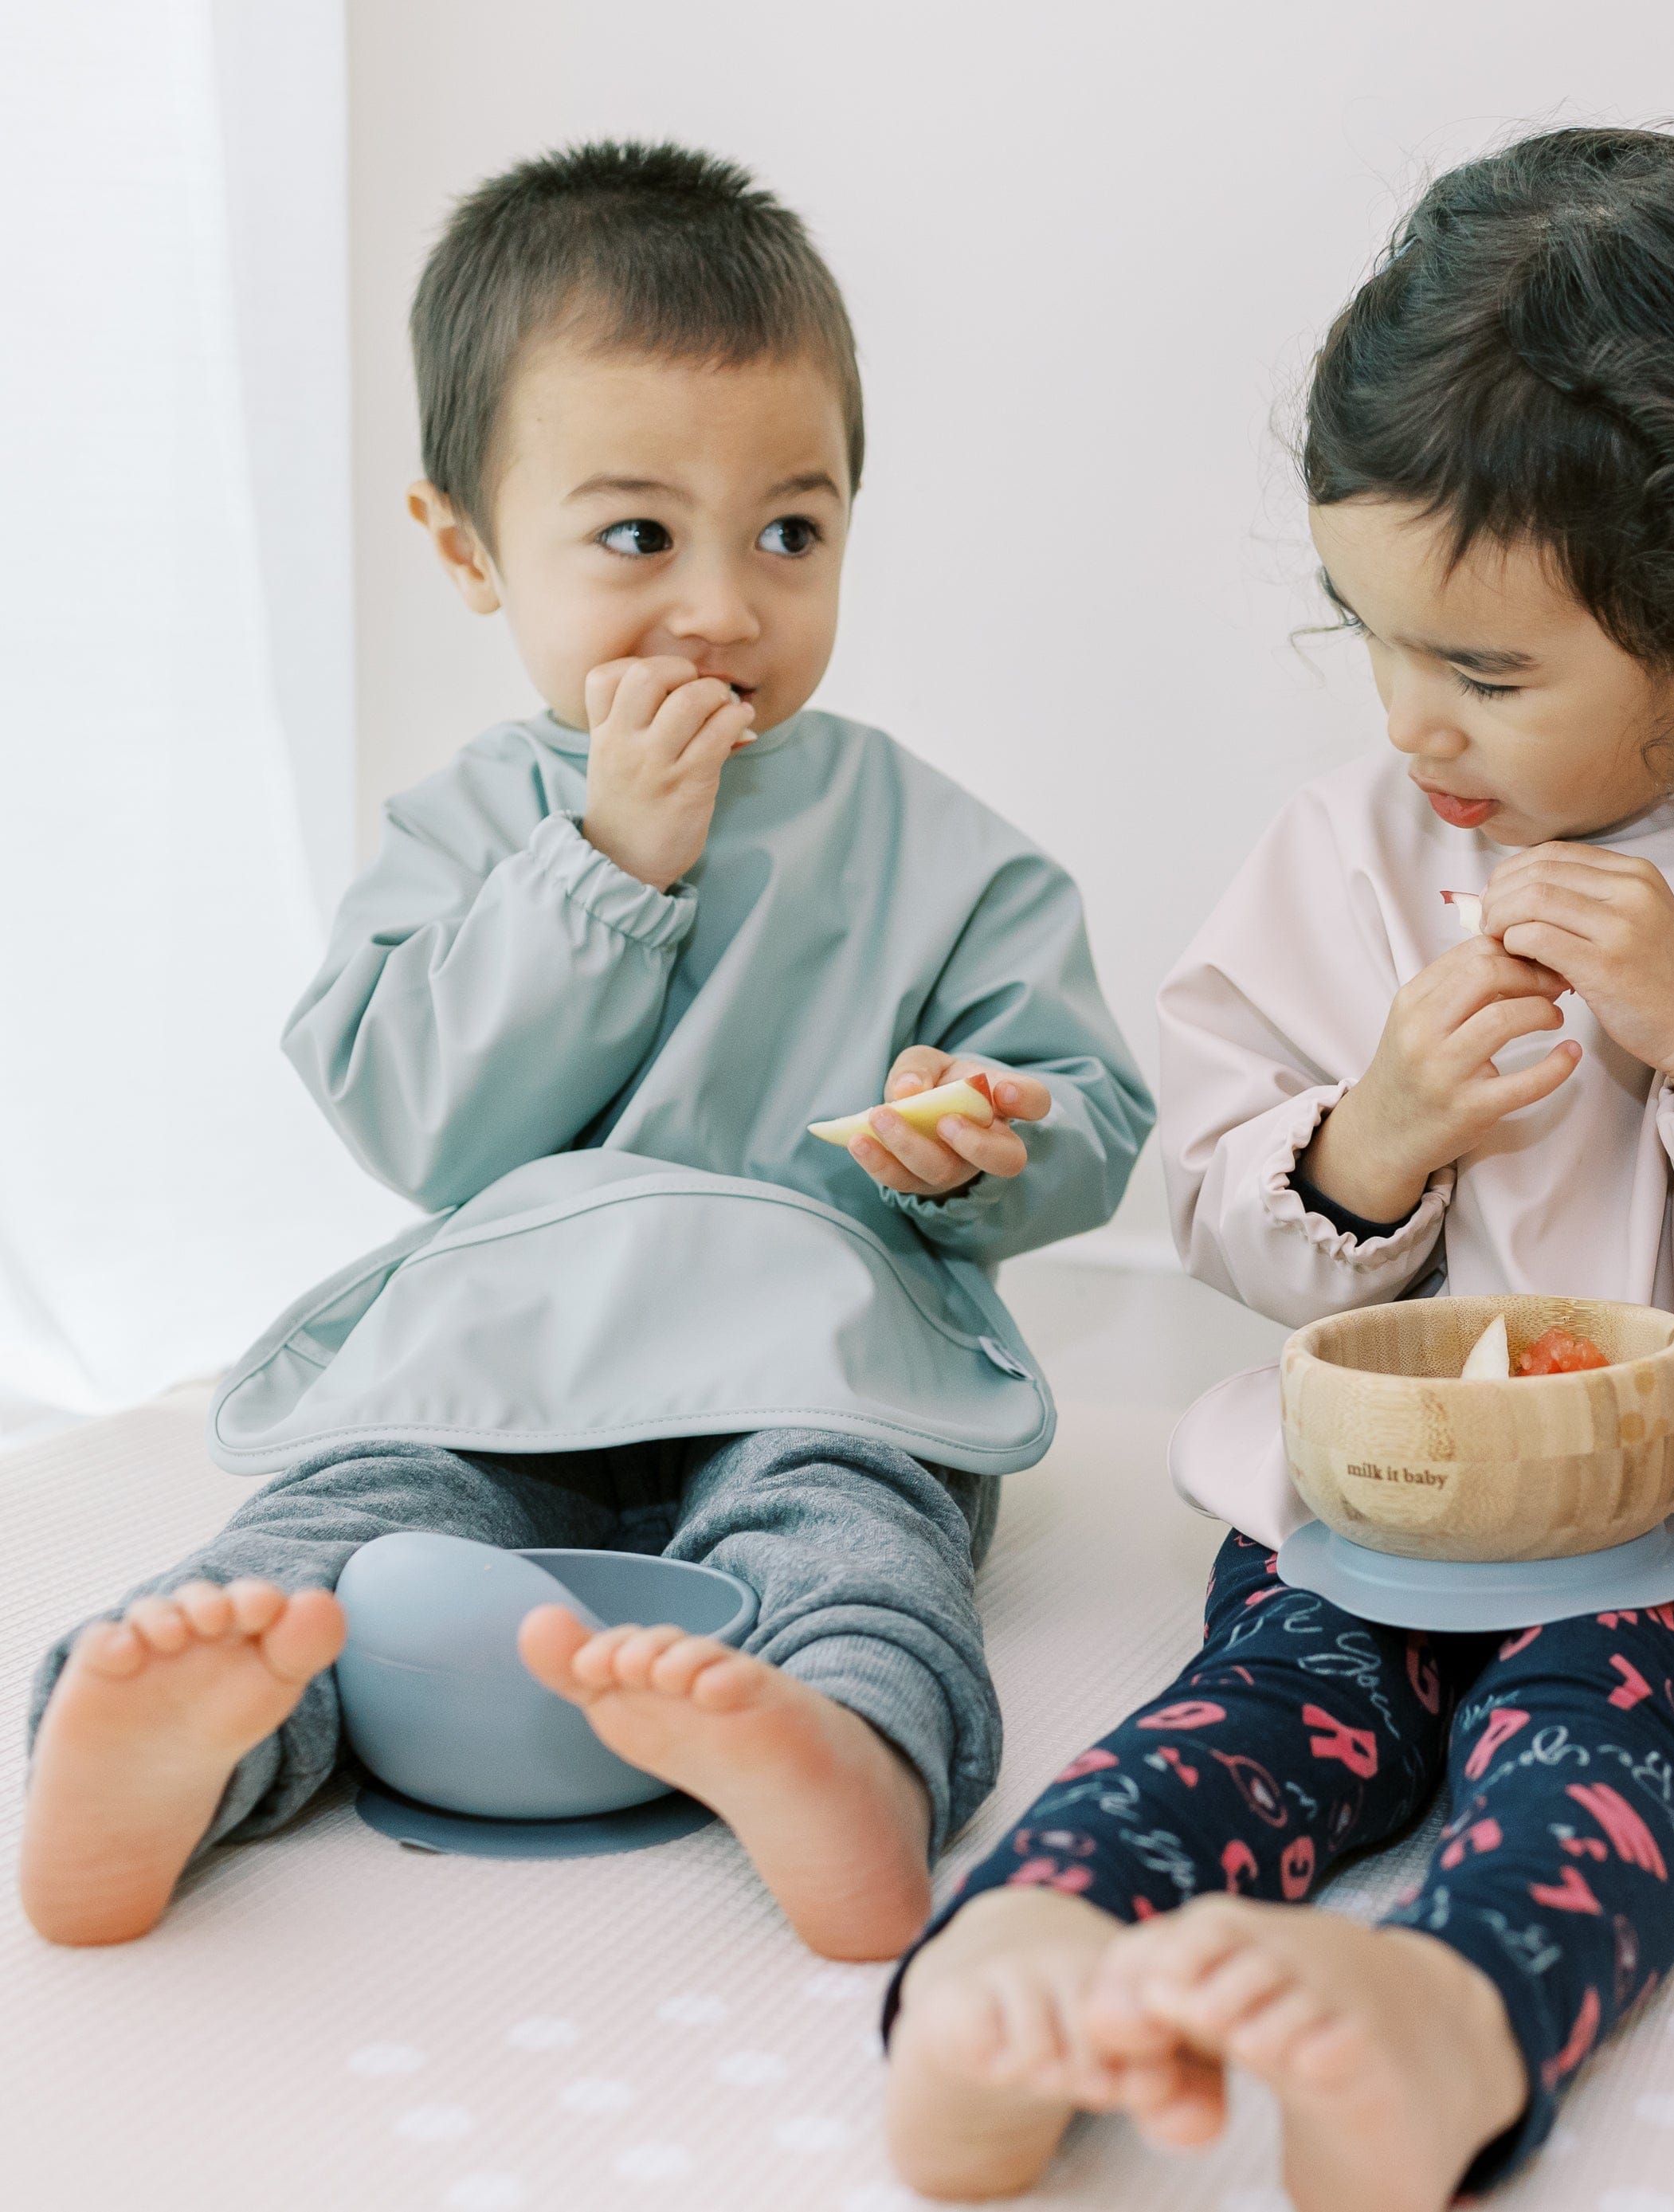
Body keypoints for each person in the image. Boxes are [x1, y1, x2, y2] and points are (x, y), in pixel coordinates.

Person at [880, 127, 1674, 2208]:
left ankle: (1447, 2023)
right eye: (1372, 636)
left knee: (1591, 1759)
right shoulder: (1351, 857)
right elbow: (1227, 1213)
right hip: (1372, 1505)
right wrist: (1370, 1136)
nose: (1412, 720)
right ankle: (1015, 1962)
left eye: (1485, 672)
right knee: (1249, 1710)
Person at [20, 142, 1155, 1960]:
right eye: (637, 535)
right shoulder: (471, 824)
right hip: (506, 1361)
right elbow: (416, 1114)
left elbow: (1088, 1111)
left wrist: (997, 1139)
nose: (720, 603)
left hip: (818, 1352)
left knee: (854, 1528)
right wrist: (604, 864)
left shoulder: (936, 841)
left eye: (789, 531)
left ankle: (850, 1750)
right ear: (467, 548)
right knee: (356, 1524)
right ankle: (158, 1746)